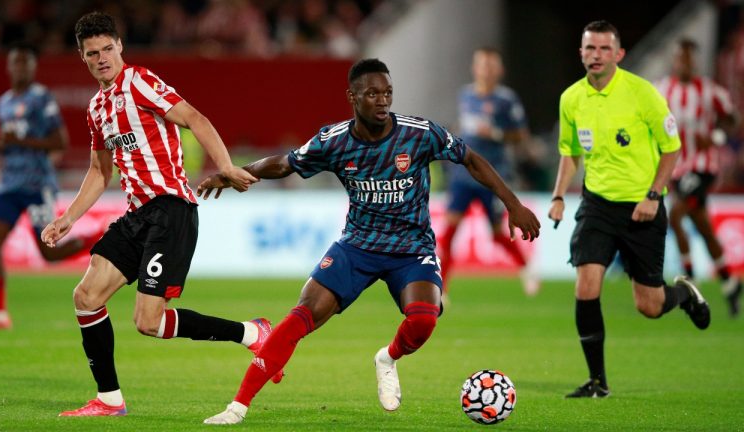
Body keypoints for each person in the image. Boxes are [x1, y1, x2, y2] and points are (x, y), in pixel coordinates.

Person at [196, 58, 541, 425]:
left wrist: (513, 204)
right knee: (302, 315)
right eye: (373, 94)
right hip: (358, 246)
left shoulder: (419, 133)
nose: (383, 101)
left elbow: (470, 159)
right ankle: (237, 407)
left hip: (411, 249)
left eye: (387, 93)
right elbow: (284, 164)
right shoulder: (334, 141)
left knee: (423, 321)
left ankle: (387, 358)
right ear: (353, 97)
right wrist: (232, 174)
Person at [40, 11, 278, 417]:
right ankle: (109, 400)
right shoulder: (96, 108)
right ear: (82, 57)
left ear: (120, 47)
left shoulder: (140, 82)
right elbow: (100, 171)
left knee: (148, 322)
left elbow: (195, 118)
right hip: (137, 215)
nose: (102, 58)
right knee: (86, 297)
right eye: (92, 53)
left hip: (170, 210)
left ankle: (251, 333)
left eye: (107, 49)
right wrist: (68, 217)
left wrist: (224, 166)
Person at [548, 21, 711, 399]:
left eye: (604, 49)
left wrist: (653, 196)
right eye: (590, 48)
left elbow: (671, 148)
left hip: (642, 208)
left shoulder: (642, 93)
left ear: (619, 54)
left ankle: (684, 294)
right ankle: (597, 381)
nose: (596, 55)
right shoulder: (571, 99)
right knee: (586, 285)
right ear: (581, 53)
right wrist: (558, 197)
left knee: (649, 306)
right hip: (597, 206)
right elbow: (570, 153)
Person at [0, 42, 100, 330]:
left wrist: (20, 141)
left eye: (25, 63)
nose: (20, 68)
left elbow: (60, 142)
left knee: (49, 252)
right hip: (9, 185)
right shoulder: (4, 102)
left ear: (33, 68)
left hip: (36, 187)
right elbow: (11, 144)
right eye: (16, 63)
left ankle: (98, 239)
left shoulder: (41, 98)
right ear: (9, 67)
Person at [439, 47, 538, 298]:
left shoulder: (506, 100)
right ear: (475, 68)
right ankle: (442, 289)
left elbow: (521, 135)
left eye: (491, 65)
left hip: (491, 176)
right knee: (449, 231)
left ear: (500, 70)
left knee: (496, 233)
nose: (486, 70)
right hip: (463, 174)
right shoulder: (465, 95)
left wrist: (494, 133)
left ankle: (526, 267)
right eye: (482, 65)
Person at [654, 39, 742, 317]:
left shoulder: (710, 91)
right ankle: (729, 281)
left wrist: (716, 136)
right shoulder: (660, 90)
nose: (684, 63)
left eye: (689, 59)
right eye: (680, 58)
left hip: (703, 167)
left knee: (675, 215)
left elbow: (733, 119)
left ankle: (690, 279)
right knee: (702, 226)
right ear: (674, 61)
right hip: (676, 168)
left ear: (695, 62)